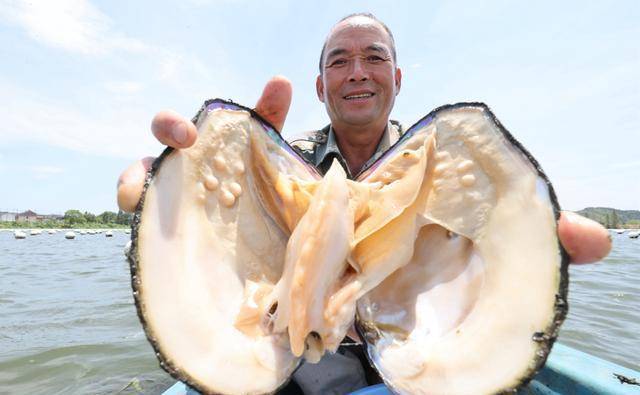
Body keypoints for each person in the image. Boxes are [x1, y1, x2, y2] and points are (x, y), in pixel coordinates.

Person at [116, 13, 612, 394]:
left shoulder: (440, 168)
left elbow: (500, 234)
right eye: (339, 61)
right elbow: (211, 215)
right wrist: (172, 182)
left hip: (414, 361)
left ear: (397, 79)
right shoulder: (273, 166)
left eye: (373, 58)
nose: (357, 72)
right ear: (320, 86)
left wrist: (524, 224)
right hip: (302, 369)